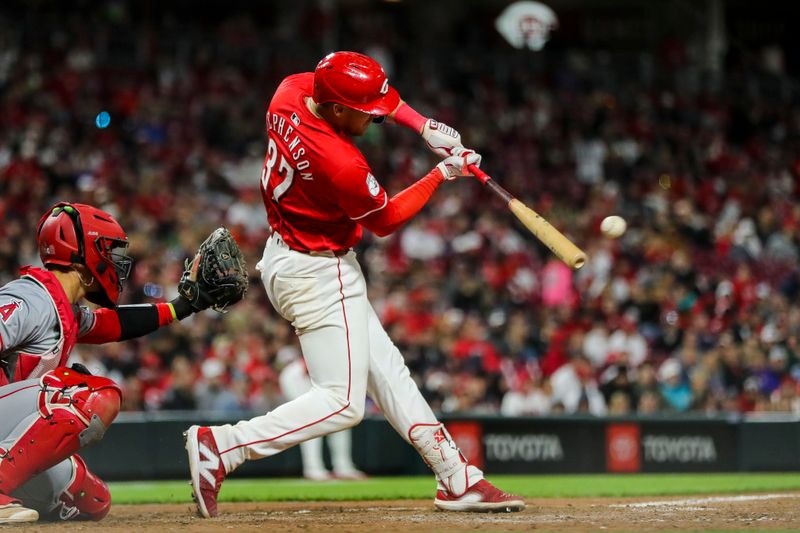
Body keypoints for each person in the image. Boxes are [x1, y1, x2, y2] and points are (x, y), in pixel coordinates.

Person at [185, 51, 525, 516]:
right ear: (339, 109)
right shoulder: (340, 161)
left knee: (388, 372)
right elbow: (384, 220)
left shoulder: (291, 91)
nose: (376, 119)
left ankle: (455, 476)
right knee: (343, 402)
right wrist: (442, 173)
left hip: (290, 256)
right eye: (368, 113)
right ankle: (223, 446)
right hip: (319, 272)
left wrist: (421, 125)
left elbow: (365, 94)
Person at [0, 202, 245, 524]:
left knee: (91, 499)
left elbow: (112, 325)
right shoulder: (30, 300)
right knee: (85, 394)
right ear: (82, 252)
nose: (116, 263)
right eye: (108, 251)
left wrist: (183, 306)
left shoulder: (61, 306)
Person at [278, 350, 366, 480]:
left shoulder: (327, 371)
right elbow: (300, 405)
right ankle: (313, 469)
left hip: (322, 401)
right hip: (301, 402)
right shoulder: (291, 374)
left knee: (342, 424)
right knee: (311, 425)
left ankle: (343, 467)